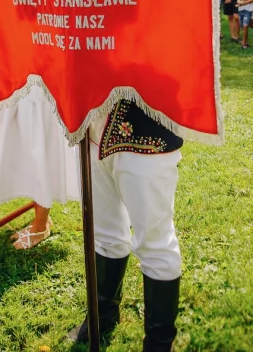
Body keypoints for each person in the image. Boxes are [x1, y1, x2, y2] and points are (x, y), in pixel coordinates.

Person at [69, 101, 183, 351]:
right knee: (104, 232)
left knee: (155, 243)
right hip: (92, 126)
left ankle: (159, 343)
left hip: (145, 130)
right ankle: (103, 315)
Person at [0, 85, 81, 249]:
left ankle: (40, 226)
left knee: (40, 151)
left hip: (40, 85)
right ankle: (41, 218)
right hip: (19, 84)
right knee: (27, 154)